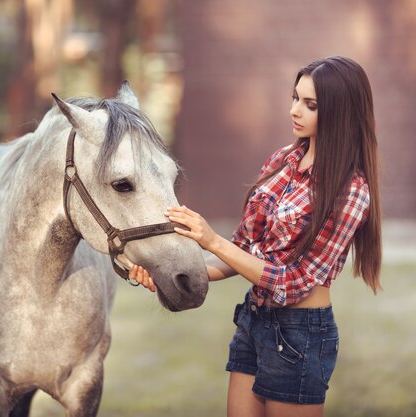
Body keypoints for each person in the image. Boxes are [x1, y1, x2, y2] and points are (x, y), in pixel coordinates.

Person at [129, 56, 381, 417]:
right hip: (254, 320)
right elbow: (244, 250)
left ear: (341, 113)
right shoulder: (281, 161)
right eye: (295, 98)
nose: (295, 111)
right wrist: (171, 274)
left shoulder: (351, 192)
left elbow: (292, 283)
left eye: (310, 105)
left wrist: (212, 240)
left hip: (300, 333)